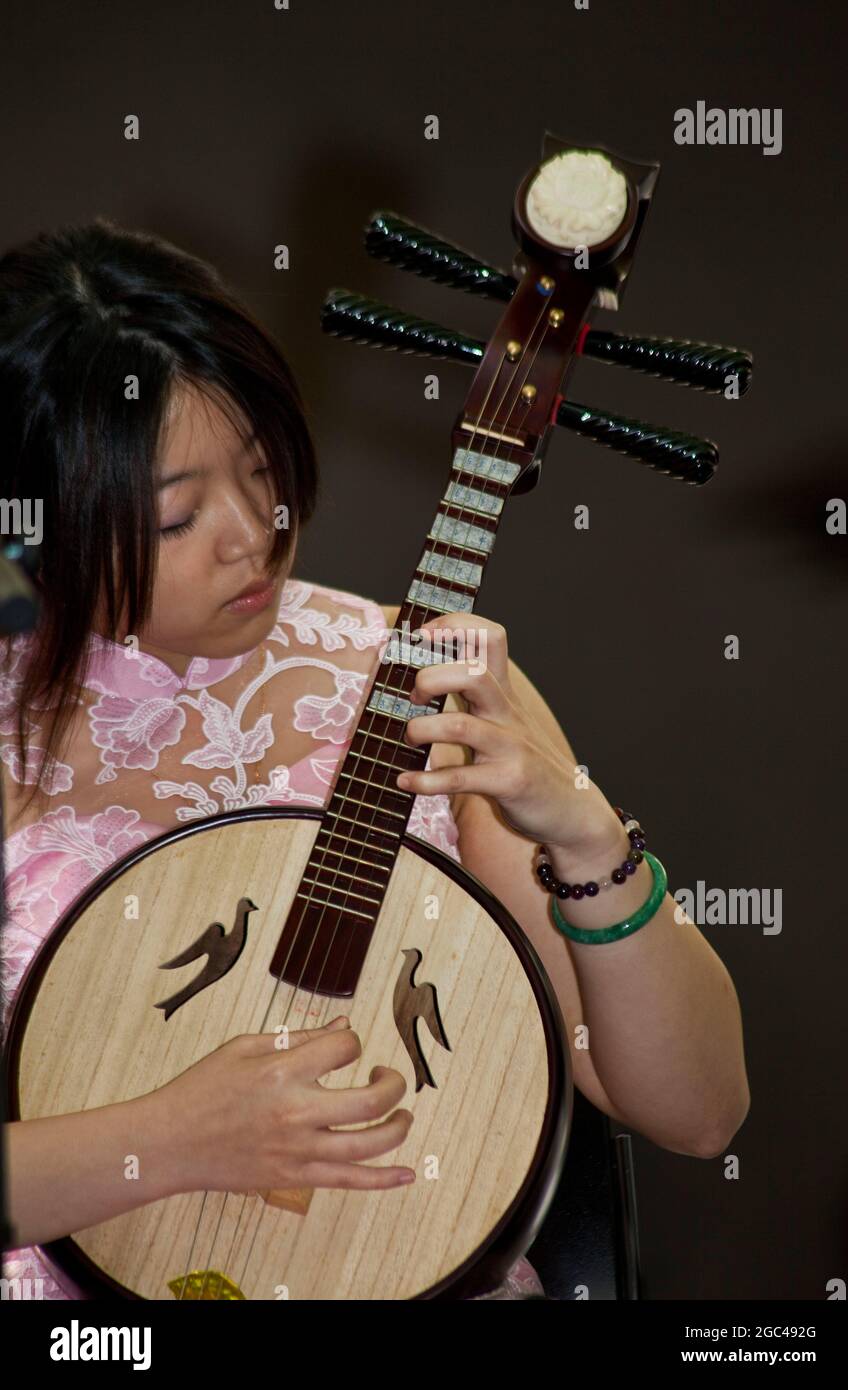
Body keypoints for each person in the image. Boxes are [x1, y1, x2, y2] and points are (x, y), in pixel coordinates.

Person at [0, 218, 749, 1302]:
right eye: (174, 518)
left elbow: (699, 1110)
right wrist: (167, 1138)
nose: (250, 532)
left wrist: (584, 833)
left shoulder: (419, 672)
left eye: (263, 470)